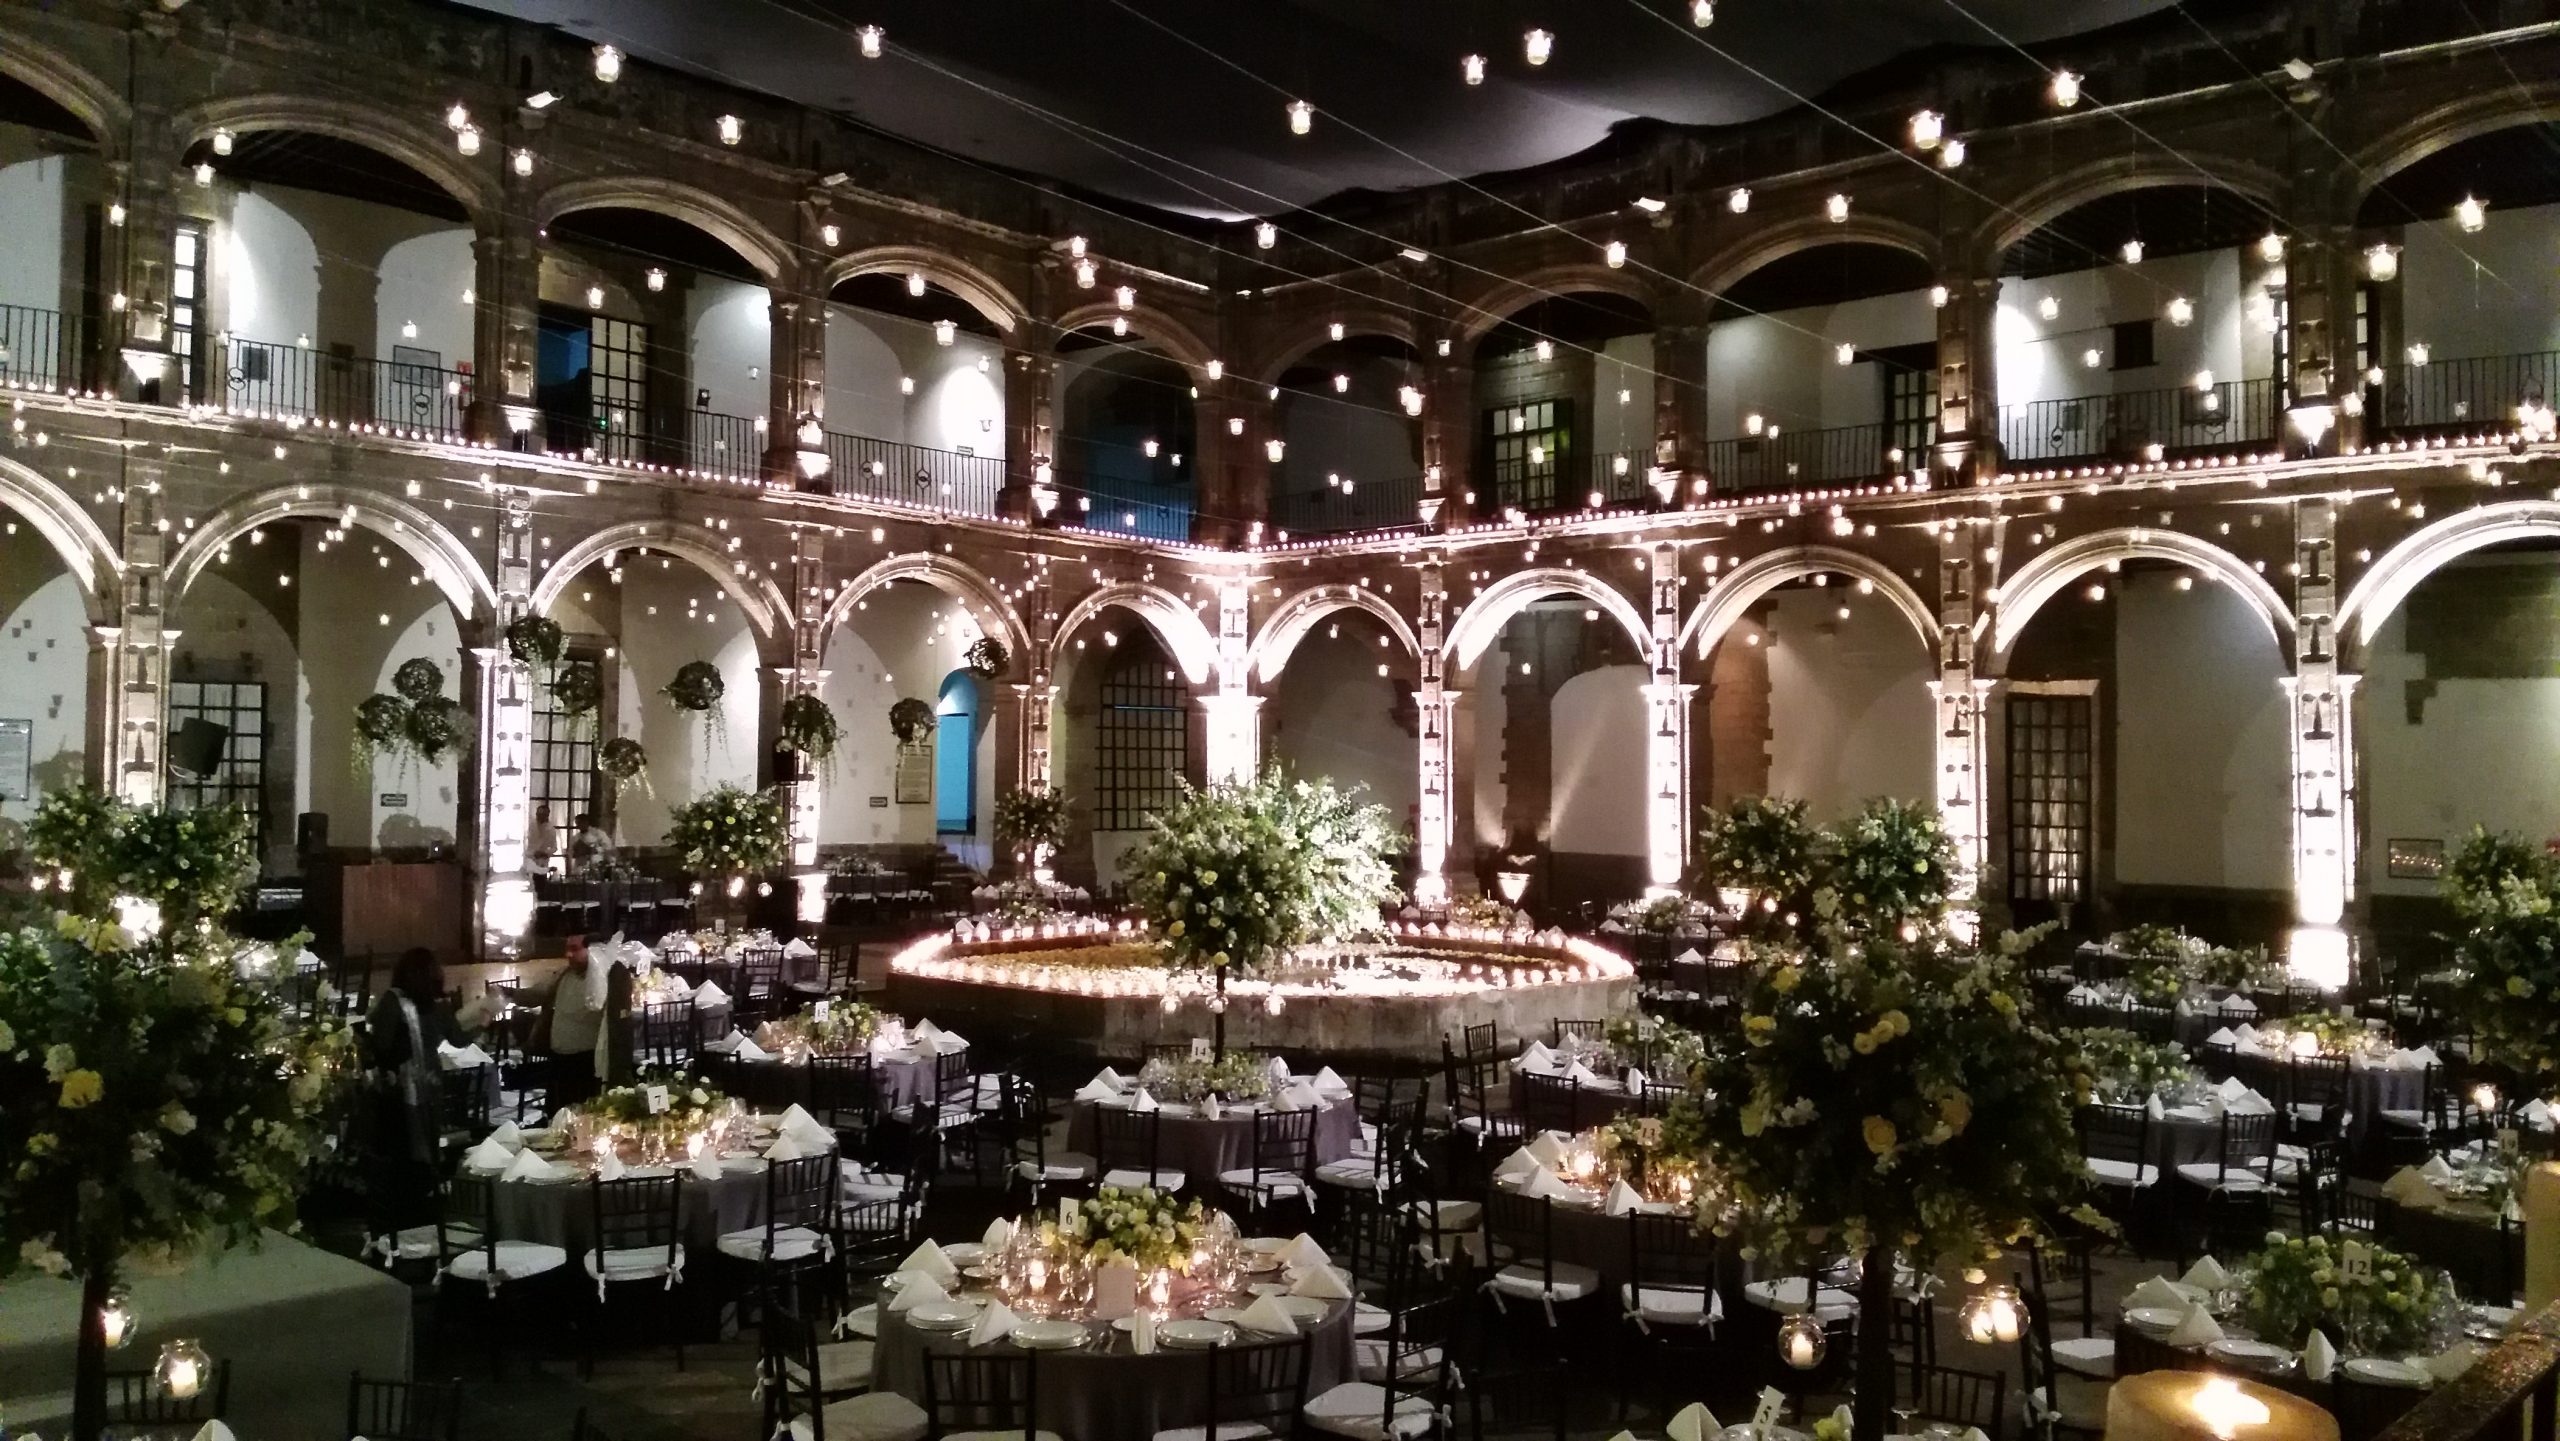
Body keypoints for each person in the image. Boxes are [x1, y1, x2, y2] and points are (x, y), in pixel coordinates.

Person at [362, 947, 460, 1228]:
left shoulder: (393, 1002)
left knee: (403, 1156)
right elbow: (459, 1038)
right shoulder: (437, 1005)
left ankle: (404, 1220)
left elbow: (379, 1047)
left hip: (400, 1095)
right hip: (430, 1090)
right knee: (426, 1148)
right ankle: (425, 1212)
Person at [538, 932, 615, 1105]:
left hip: (585, 1060)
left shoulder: (605, 979)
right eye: (567, 949)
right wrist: (509, 993)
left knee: (581, 1109)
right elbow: (540, 994)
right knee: (557, 1109)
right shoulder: (564, 974)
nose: (568, 954)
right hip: (559, 1056)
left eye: (574, 949)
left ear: (593, 950)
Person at [526, 803, 559, 876]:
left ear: (547, 815)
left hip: (543, 861)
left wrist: (545, 853)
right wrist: (533, 853)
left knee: (541, 878)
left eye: (543, 814)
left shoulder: (551, 829)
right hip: (529, 859)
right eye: (538, 814)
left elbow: (554, 847)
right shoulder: (529, 826)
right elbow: (524, 843)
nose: (540, 816)